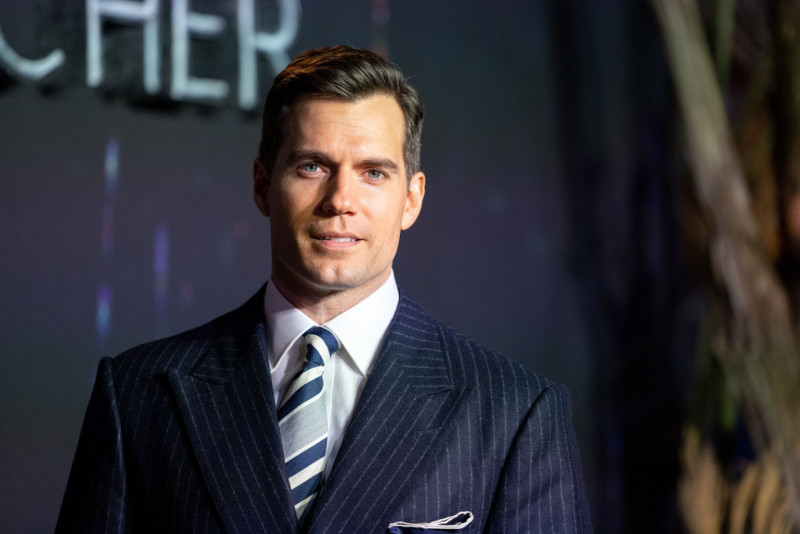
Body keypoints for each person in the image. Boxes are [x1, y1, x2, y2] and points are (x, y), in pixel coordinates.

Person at [56, 45, 592, 533]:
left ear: (412, 198)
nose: (340, 200)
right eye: (312, 166)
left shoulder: (514, 412)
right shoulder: (138, 394)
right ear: (263, 184)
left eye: (374, 173)